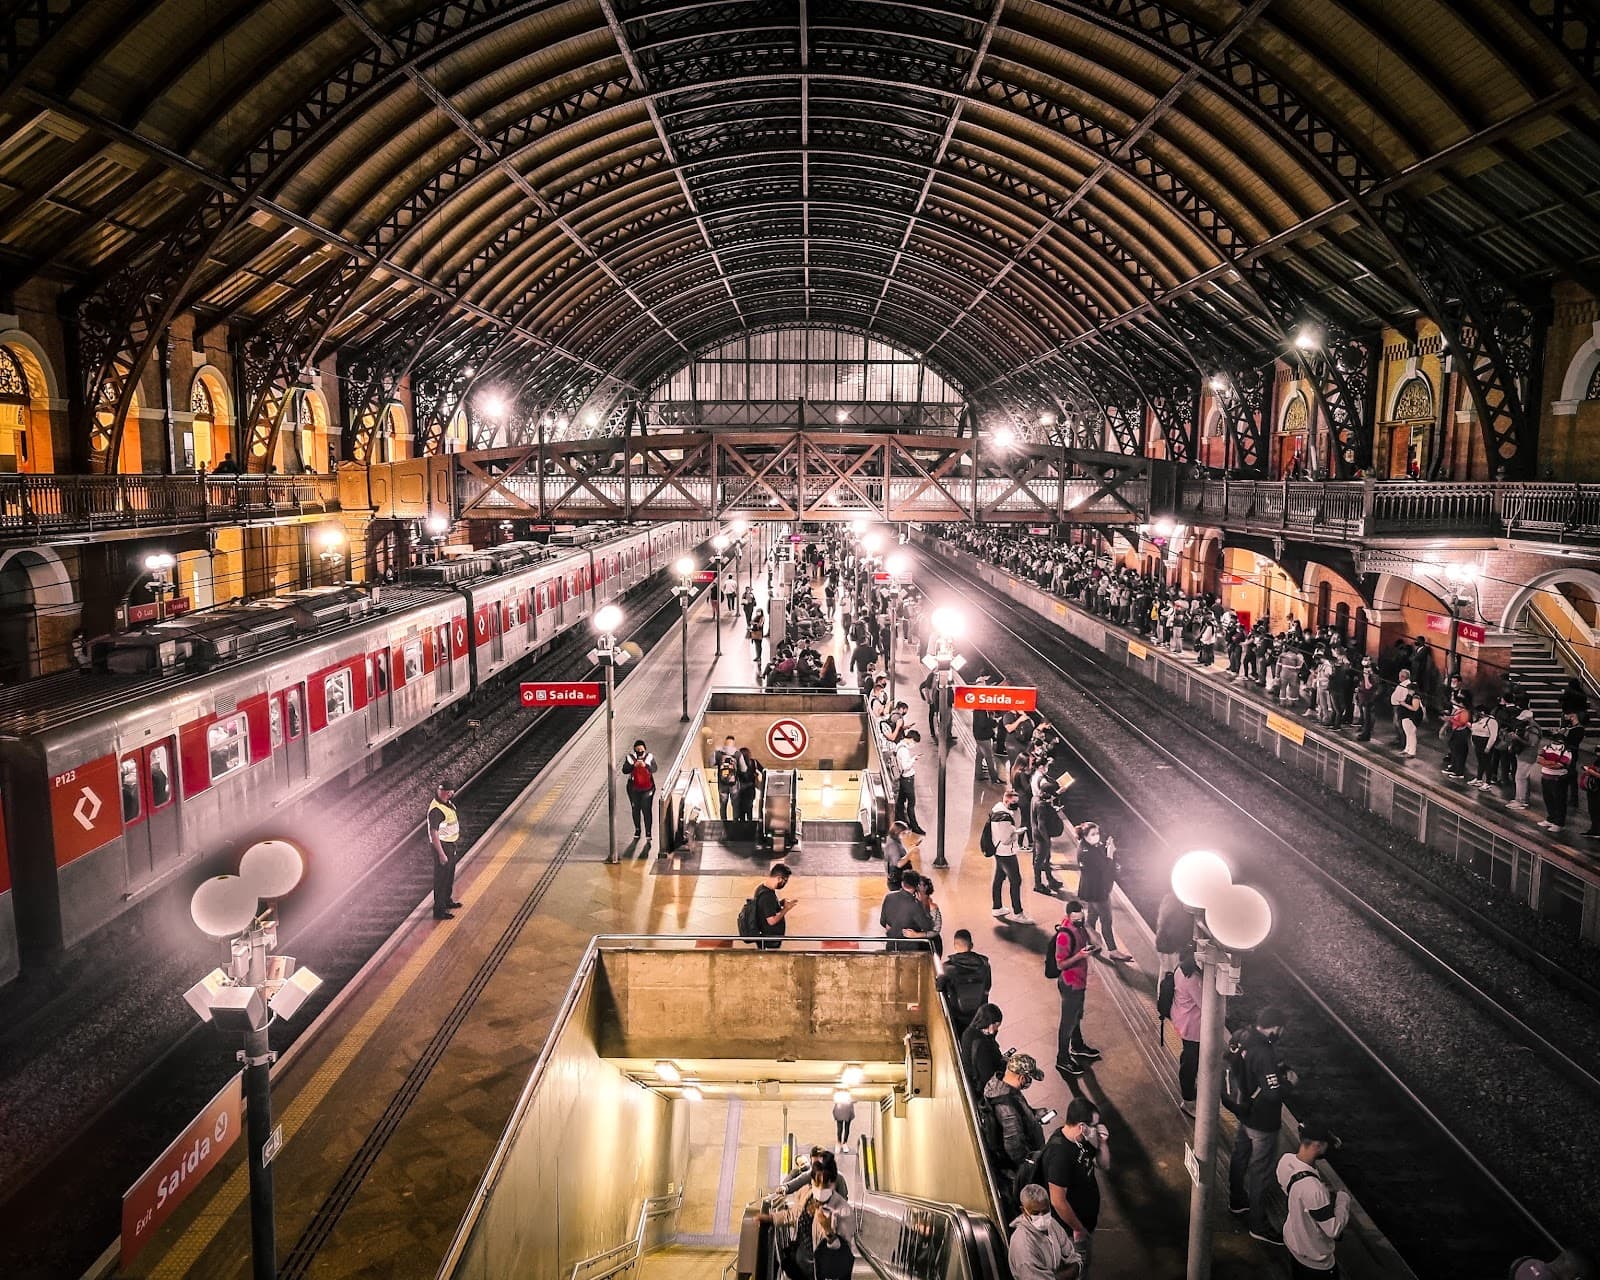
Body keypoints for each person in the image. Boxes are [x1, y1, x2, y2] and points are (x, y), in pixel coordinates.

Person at [1228, 1005, 1297, 1245]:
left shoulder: (1243, 1036)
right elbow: (1272, 1094)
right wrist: (1289, 1083)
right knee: (1260, 1171)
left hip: (1243, 1111)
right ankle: (1258, 1225)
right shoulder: (1264, 1052)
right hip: (1262, 1122)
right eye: (1282, 1029)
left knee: (1239, 1157)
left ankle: (1237, 1201)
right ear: (1275, 1028)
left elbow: (1249, 1072)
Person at [759, 1150, 856, 1280]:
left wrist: (829, 1231)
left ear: (833, 1182)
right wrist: (771, 1218)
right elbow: (793, 1214)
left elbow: (843, 1253)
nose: (820, 1187)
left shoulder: (843, 1210)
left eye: (825, 1182)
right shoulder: (807, 1196)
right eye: (816, 1182)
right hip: (803, 1265)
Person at [1041, 1098, 1109, 1278]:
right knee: (1077, 1269)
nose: (1097, 1128)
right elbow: (1057, 1201)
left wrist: (1102, 1143)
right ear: (1082, 1126)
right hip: (1071, 1232)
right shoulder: (1060, 1155)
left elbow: (1104, 1165)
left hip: (1085, 1221)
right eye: (1094, 1125)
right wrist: (1078, 1229)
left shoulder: (1082, 1140)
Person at [1278, 1121, 1350, 1278]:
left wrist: (1322, 1190)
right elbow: (1333, 1230)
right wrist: (1343, 1200)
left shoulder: (1285, 1161)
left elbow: (1296, 1192)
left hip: (1293, 1243)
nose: (1328, 1148)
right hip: (1315, 1260)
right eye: (1326, 1145)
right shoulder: (1313, 1189)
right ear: (1318, 1145)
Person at [983, 1051, 1046, 1195]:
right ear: (1022, 1078)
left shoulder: (1000, 1085)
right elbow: (1015, 1147)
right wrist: (1032, 1164)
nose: (1029, 1081)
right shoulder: (1007, 1109)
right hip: (1025, 1165)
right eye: (1029, 1078)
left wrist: (1034, 1114)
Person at [1072, 823, 1131, 962]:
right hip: (1097, 891)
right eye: (1093, 834)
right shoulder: (1086, 853)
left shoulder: (1089, 847)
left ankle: (1090, 943)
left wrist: (1106, 849)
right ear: (1085, 836)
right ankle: (1113, 951)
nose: (1097, 836)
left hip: (1092, 890)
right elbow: (1105, 868)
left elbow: (1101, 862)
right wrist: (1110, 852)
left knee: (1092, 916)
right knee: (1106, 920)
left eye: (1097, 833)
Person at [1054, 902, 1098, 1076]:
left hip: (1079, 982)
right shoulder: (1064, 936)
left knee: (1076, 1016)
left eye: (1082, 919)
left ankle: (1077, 1046)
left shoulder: (1079, 927)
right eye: (1076, 920)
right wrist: (1080, 955)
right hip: (1071, 984)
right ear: (1069, 917)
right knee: (1067, 1023)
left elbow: (1093, 939)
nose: (1080, 922)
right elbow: (1060, 964)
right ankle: (1062, 1059)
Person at [1009, 1183, 1081, 1280]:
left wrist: (1069, 1270)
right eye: (1035, 1213)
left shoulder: (1052, 1225)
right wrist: (1070, 1273)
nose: (1042, 1217)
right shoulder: (1023, 1244)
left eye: (1045, 1211)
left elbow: (1073, 1257)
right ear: (1023, 1210)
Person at [982, 793, 1028, 923]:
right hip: (1006, 853)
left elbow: (1015, 824)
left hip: (999, 851)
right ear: (1006, 801)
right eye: (1014, 802)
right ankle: (1018, 913)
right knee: (1016, 881)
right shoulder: (1004, 818)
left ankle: (997, 907)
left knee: (999, 878)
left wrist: (1016, 813)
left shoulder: (997, 809)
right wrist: (1016, 834)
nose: (1016, 804)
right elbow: (1006, 839)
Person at [1170, 947, 1203, 1117]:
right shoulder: (1194, 979)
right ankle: (1188, 1101)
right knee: (1190, 1063)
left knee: (1188, 1058)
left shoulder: (1181, 969)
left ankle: (1189, 1092)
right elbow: (1206, 1005)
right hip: (1192, 1028)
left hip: (1181, 1018)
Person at [940, 929, 992, 1030]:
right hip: (978, 1014)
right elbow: (987, 986)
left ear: (955, 946)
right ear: (971, 945)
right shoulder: (984, 964)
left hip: (956, 1015)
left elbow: (940, 988)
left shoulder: (947, 968)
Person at [426, 780, 464, 920]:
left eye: (450, 792)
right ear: (439, 792)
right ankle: (439, 911)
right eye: (446, 792)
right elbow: (433, 833)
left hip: (449, 845)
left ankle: (447, 901)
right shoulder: (436, 809)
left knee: (449, 876)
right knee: (441, 879)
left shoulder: (446, 804)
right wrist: (441, 854)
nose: (449, 794)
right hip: (442, 846)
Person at [880, 866, 933, 952]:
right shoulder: (915, 905)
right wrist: (922, 905)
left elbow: (882, 921)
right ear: (916, 886)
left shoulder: (889, 897)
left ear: (902, 883)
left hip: (891, 946)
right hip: (910, 949)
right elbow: (927, 927)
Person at [961, 1003, 1006, 1095]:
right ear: (988, 1023)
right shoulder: (981, 1045)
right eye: (996, 1025)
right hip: (983, 1085)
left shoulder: (970, 1031)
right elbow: (987, 1075)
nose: (996, 1029)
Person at [621, 739, 657, 848]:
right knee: (635, 809)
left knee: (646, 809)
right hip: (633, 789)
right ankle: (637, 829)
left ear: (645, 749)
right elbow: (624, 770)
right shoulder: (630, 758)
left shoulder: (649, 757)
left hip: (648, 788)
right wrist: (633, 766)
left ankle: (648, 832)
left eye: (641, 750)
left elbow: (654, 769)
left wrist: (645, 765)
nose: (640, 752)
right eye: (637, 750)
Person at [753, 862, 797, 950]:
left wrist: (780, 903)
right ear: (779, 878)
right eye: (785, 881)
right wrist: (786, 909)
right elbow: (771, 921)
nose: (784, 884)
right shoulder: (767, 896)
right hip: (770, 940)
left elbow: (766, 908)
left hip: (768, 937)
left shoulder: (762, 888)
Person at [895, 729, 925, 834]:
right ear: (911, 739)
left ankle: (901, 822)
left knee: (900, 801)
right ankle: (914, 826)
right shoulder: (904, 750)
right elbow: (905, 766)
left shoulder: (899, 745)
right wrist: (913, 759)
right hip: (907, 778)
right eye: (914, 742)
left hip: (903, 778)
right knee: (911, 803)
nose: (914, 745)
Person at [1390, 670, 1423, 758]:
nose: (1408, 691)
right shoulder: (1410, 696)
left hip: (1411, 718)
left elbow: (1414, 708)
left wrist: (1403, 704)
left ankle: (1412, 752)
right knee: (1408, 734)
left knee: (1411, 734)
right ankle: (1407, 749)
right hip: (1405, 716)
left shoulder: (1415, 697)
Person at [713, 734, 739, 821]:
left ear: (725, 742)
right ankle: (736, 822)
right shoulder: (737, 754)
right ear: (733, 743)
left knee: (723, 805)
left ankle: (723, 822)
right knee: (735, 804)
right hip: (734, 785)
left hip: (722, 784)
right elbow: (744, 769)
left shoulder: (718, 753)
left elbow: (710, 763)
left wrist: (715, 752)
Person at [735, 745, 765, 822]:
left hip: (740, 789)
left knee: (740, 808)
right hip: (750, 788)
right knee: (749, 807)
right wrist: (758, 775)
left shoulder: (737, 763)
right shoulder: (754, 762)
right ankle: (750, 824)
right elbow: (764, 771)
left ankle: (741, 825)